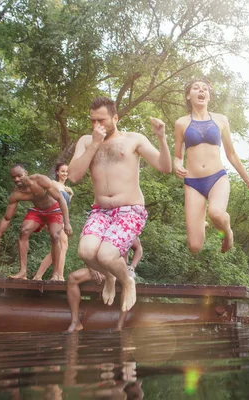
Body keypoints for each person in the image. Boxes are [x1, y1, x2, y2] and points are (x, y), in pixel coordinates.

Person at [68, 96, 171, 312]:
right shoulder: (86, 141)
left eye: (102, 120)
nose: (97, 125)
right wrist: (95, 142)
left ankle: (127, 281)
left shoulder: (134, 139)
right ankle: (110, 277)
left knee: (106, 255)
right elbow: (74, 176)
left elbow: (164, 167)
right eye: (93, 121)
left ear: (115, 117)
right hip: (100, 211)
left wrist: (162, 138)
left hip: (130, 210)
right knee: (86, 252)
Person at [173, 78, 249, 253]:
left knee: (216, 213)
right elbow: (178, 156)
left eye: (205, 89)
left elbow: (231, 154)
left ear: (208, 96)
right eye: (196, 88)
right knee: (194, 246)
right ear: (188, 95)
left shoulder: (220, 120)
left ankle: (226, 232)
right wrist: (177, 164)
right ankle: (202, 223)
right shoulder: (181, 123)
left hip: (217, 178)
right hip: (193, 183)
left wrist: (248, 180)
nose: (201, 91)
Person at [0, 163, 72, 279]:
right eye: (13, 177)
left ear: (26, 173)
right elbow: (7, 218)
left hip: (54, 210)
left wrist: (67, 223)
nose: (17, 179)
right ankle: (23, 272)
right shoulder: (16, 194)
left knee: (55, 235)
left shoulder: (40, 180)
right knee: (24, 230)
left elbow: (60, 198)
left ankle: (55, 274)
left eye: (19, 175)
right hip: (38, 211)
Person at [66, 239, 143, 332]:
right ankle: (75, 322)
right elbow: (86, 251)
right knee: (72, 278)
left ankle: (119, 326)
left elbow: (138, 248)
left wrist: (132, 266)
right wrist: (92, 269)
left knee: (127, 283)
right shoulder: (98, 226)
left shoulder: (125, 227)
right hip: (99, 269)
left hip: (118, 269)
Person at [33, 163, 75, 281]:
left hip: (61, 217)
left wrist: (70, 195)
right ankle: (59, 276)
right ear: (57, 172)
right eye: (62, 171)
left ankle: (39, 275)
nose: (65, 174)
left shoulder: (66, 189)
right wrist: (46, 220)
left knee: (60, 247)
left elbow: (65, 205)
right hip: (54, 216)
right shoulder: (53, 184)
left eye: (67, 172)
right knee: (63, 245)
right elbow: (48, 201)